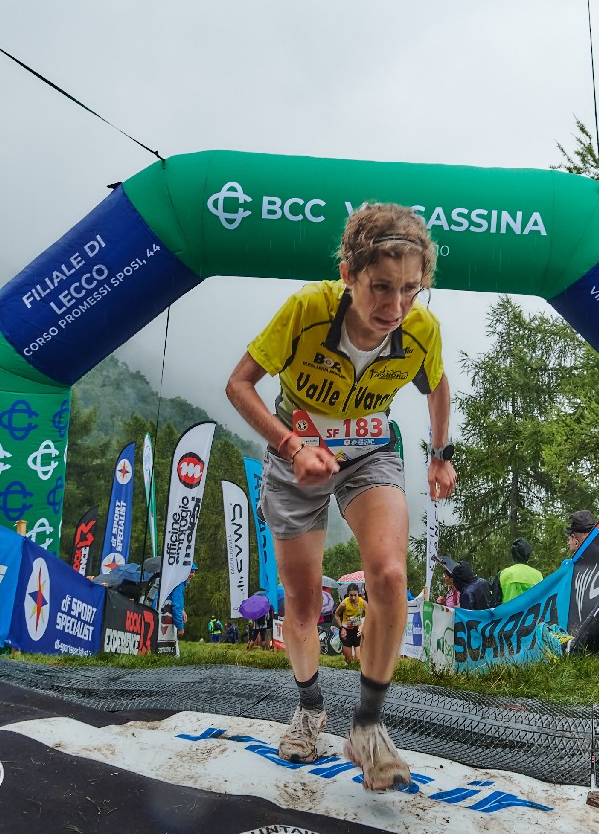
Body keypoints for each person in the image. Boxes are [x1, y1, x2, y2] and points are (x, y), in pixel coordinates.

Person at [225, 203, 457, 790]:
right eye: (381, 287)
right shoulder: (306, 310)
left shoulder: (420, 329)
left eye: (410, 289)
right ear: (348, 274)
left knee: (390, 575)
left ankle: (368, 726)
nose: (395, 307)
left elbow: (437, 385)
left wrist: (440, 453)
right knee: (303, 604)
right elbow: (239, 384)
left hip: (369, 453)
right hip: (295, 457)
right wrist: (290, 445)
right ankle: (309, 708)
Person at [498, 537, 543, 603]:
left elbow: (494, 602)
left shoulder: (502, 574)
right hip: (533, 609)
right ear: (528, 555)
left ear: (513, 555)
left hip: (510, 609)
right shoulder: (538, 575)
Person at [334, 583, 366, 664]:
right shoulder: (344, 604)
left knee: (358, 660)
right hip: (346, 631)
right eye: (351, 595)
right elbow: (336, 615)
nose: (353, 597)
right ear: (348, 594)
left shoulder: (363, 603)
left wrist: (362, 627)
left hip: (357, 630)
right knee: (349, 660)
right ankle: (347, 663)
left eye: (355, 595)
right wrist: (341, 628)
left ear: (358, 593)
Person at [165, 563, 198, 639]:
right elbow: (176, 606)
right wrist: (180, 627)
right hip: (164, 617)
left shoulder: (173, 580)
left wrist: (182, 610)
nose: (193, 575)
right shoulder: (179, 584)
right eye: (191, 572)